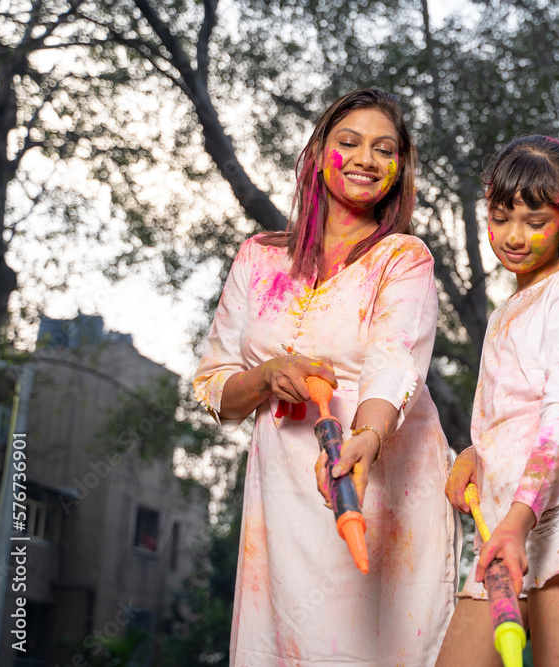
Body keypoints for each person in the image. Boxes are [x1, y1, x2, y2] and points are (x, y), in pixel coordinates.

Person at [193, 89, 459, 666]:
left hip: (378, 478)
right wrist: (266, 377)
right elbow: (215, 386)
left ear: (398, 168)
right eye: (350, 142)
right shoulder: (257, 258)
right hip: (281, 494)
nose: (367, 158)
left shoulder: (403, 257)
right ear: (317, 155)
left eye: (384, 149)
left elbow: (394, 360)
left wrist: (366, 438)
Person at [436, 136, 559, 666]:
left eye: (534, 220)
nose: (514, 236)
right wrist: (475, 453)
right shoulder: (504, 313)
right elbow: (510, 413)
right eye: (500, 218)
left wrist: (520, 520)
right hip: (501, 522)